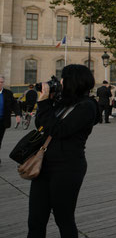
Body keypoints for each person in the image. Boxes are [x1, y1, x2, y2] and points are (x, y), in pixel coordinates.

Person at [28, 64, 97, 237]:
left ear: (73, 81)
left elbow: (60, 130)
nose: (60, 81)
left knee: (63, 218)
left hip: (67, 167)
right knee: (36, 219)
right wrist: (48, 100)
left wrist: (44, 103)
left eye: (63, 78)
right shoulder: (62, 103)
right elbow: (42, 125)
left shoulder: (87, 106)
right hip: (44, 165)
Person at [0, 75, 21, 163]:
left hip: (2, 121)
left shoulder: (8, 93)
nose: (0, 84)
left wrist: (18, 115)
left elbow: (14, 104)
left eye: (1, 82)